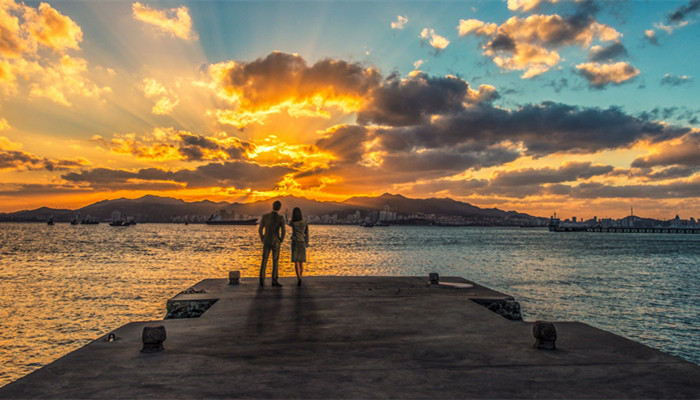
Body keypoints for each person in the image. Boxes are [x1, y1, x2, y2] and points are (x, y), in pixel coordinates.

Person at [258, 200, 285, 287]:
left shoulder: (265, 216)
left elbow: (260, 229)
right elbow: (283, 231)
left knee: (264, 260)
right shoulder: (280, 218)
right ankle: (274, 280)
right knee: (275, 261)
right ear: (279, 208)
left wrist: (263, 238)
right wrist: (281, 240)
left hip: (266, 241)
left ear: (272, 206)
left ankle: (262, 280)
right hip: (276, 241)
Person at [288, 207, 309, 286]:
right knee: (301, 261)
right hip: (302, 242)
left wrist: (286, 214)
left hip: (295, 242)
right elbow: (307, 233)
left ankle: (299, 277)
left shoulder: (293, 222)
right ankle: (301, 276)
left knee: (296, 261)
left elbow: (286, 222)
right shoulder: (305, 222)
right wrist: (307, 242)